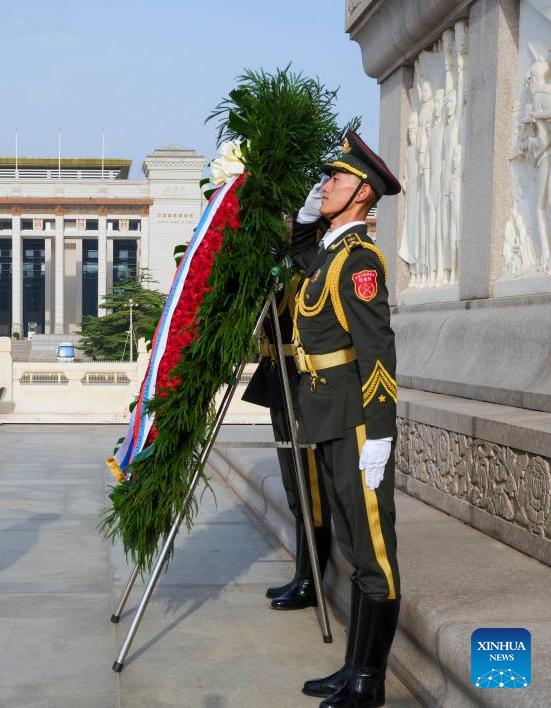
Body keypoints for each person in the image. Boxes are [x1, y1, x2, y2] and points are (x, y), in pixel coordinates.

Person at [292, 131, 402, 707]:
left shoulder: (359, 262)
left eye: (334, 179)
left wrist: (379, 435)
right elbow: (298, 252)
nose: (324, 185)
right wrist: (306, 217)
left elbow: (377, 354)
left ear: (362, 193)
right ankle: (354, 668)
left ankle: (369, 682)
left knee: (374, 552)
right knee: (356, 550)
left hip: (358, 422)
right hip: (328, 417)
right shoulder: (331, 253)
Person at [242, 190, 332, 611]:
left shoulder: (308, 263)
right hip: (279, 378)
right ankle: (303, 573)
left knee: (309, 487)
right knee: (294, 487)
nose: (284, 225)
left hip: (301, 382)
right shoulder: (281, 264)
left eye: (288, 218)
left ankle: (311, 580)